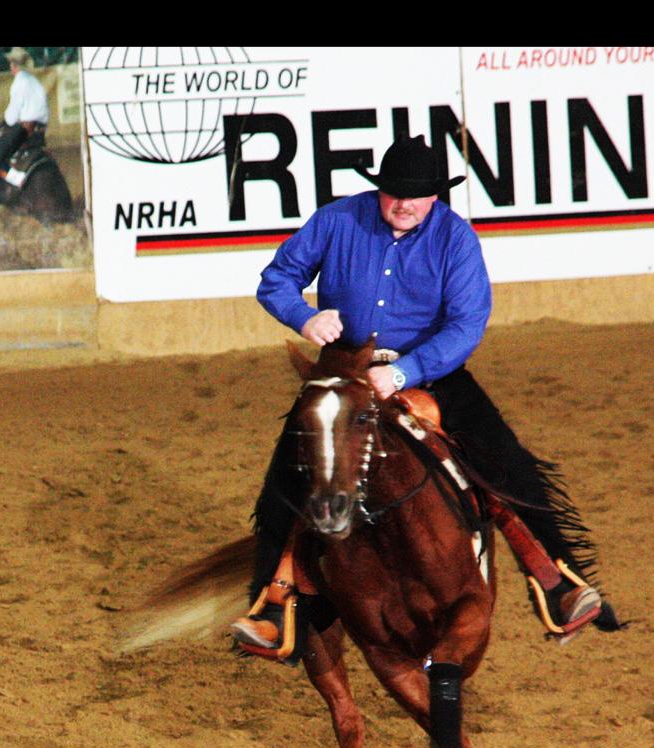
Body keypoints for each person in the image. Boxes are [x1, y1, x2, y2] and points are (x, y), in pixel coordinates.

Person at [231, 134, 621, 658]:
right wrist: (305, 316)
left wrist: (406, 371)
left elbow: (466, 325)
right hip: (344, 370)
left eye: (417, 196)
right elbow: (276, 280)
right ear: (379, 191)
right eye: (394, 194)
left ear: (436, 196)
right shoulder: (336, 220)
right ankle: (272, 608)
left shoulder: (455, 238)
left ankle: (560, 580)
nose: (404, 204)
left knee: (508, 465)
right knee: (284, 480)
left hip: (429, 372)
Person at [0, 47, 49, 204]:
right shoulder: (33, 81)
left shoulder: (20, 82)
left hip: (24, 129)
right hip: (40, 130)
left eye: (12, 63)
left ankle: (15, 178)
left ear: (15, 65)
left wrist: (5, 122)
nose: (11, 66)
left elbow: (12, 117)